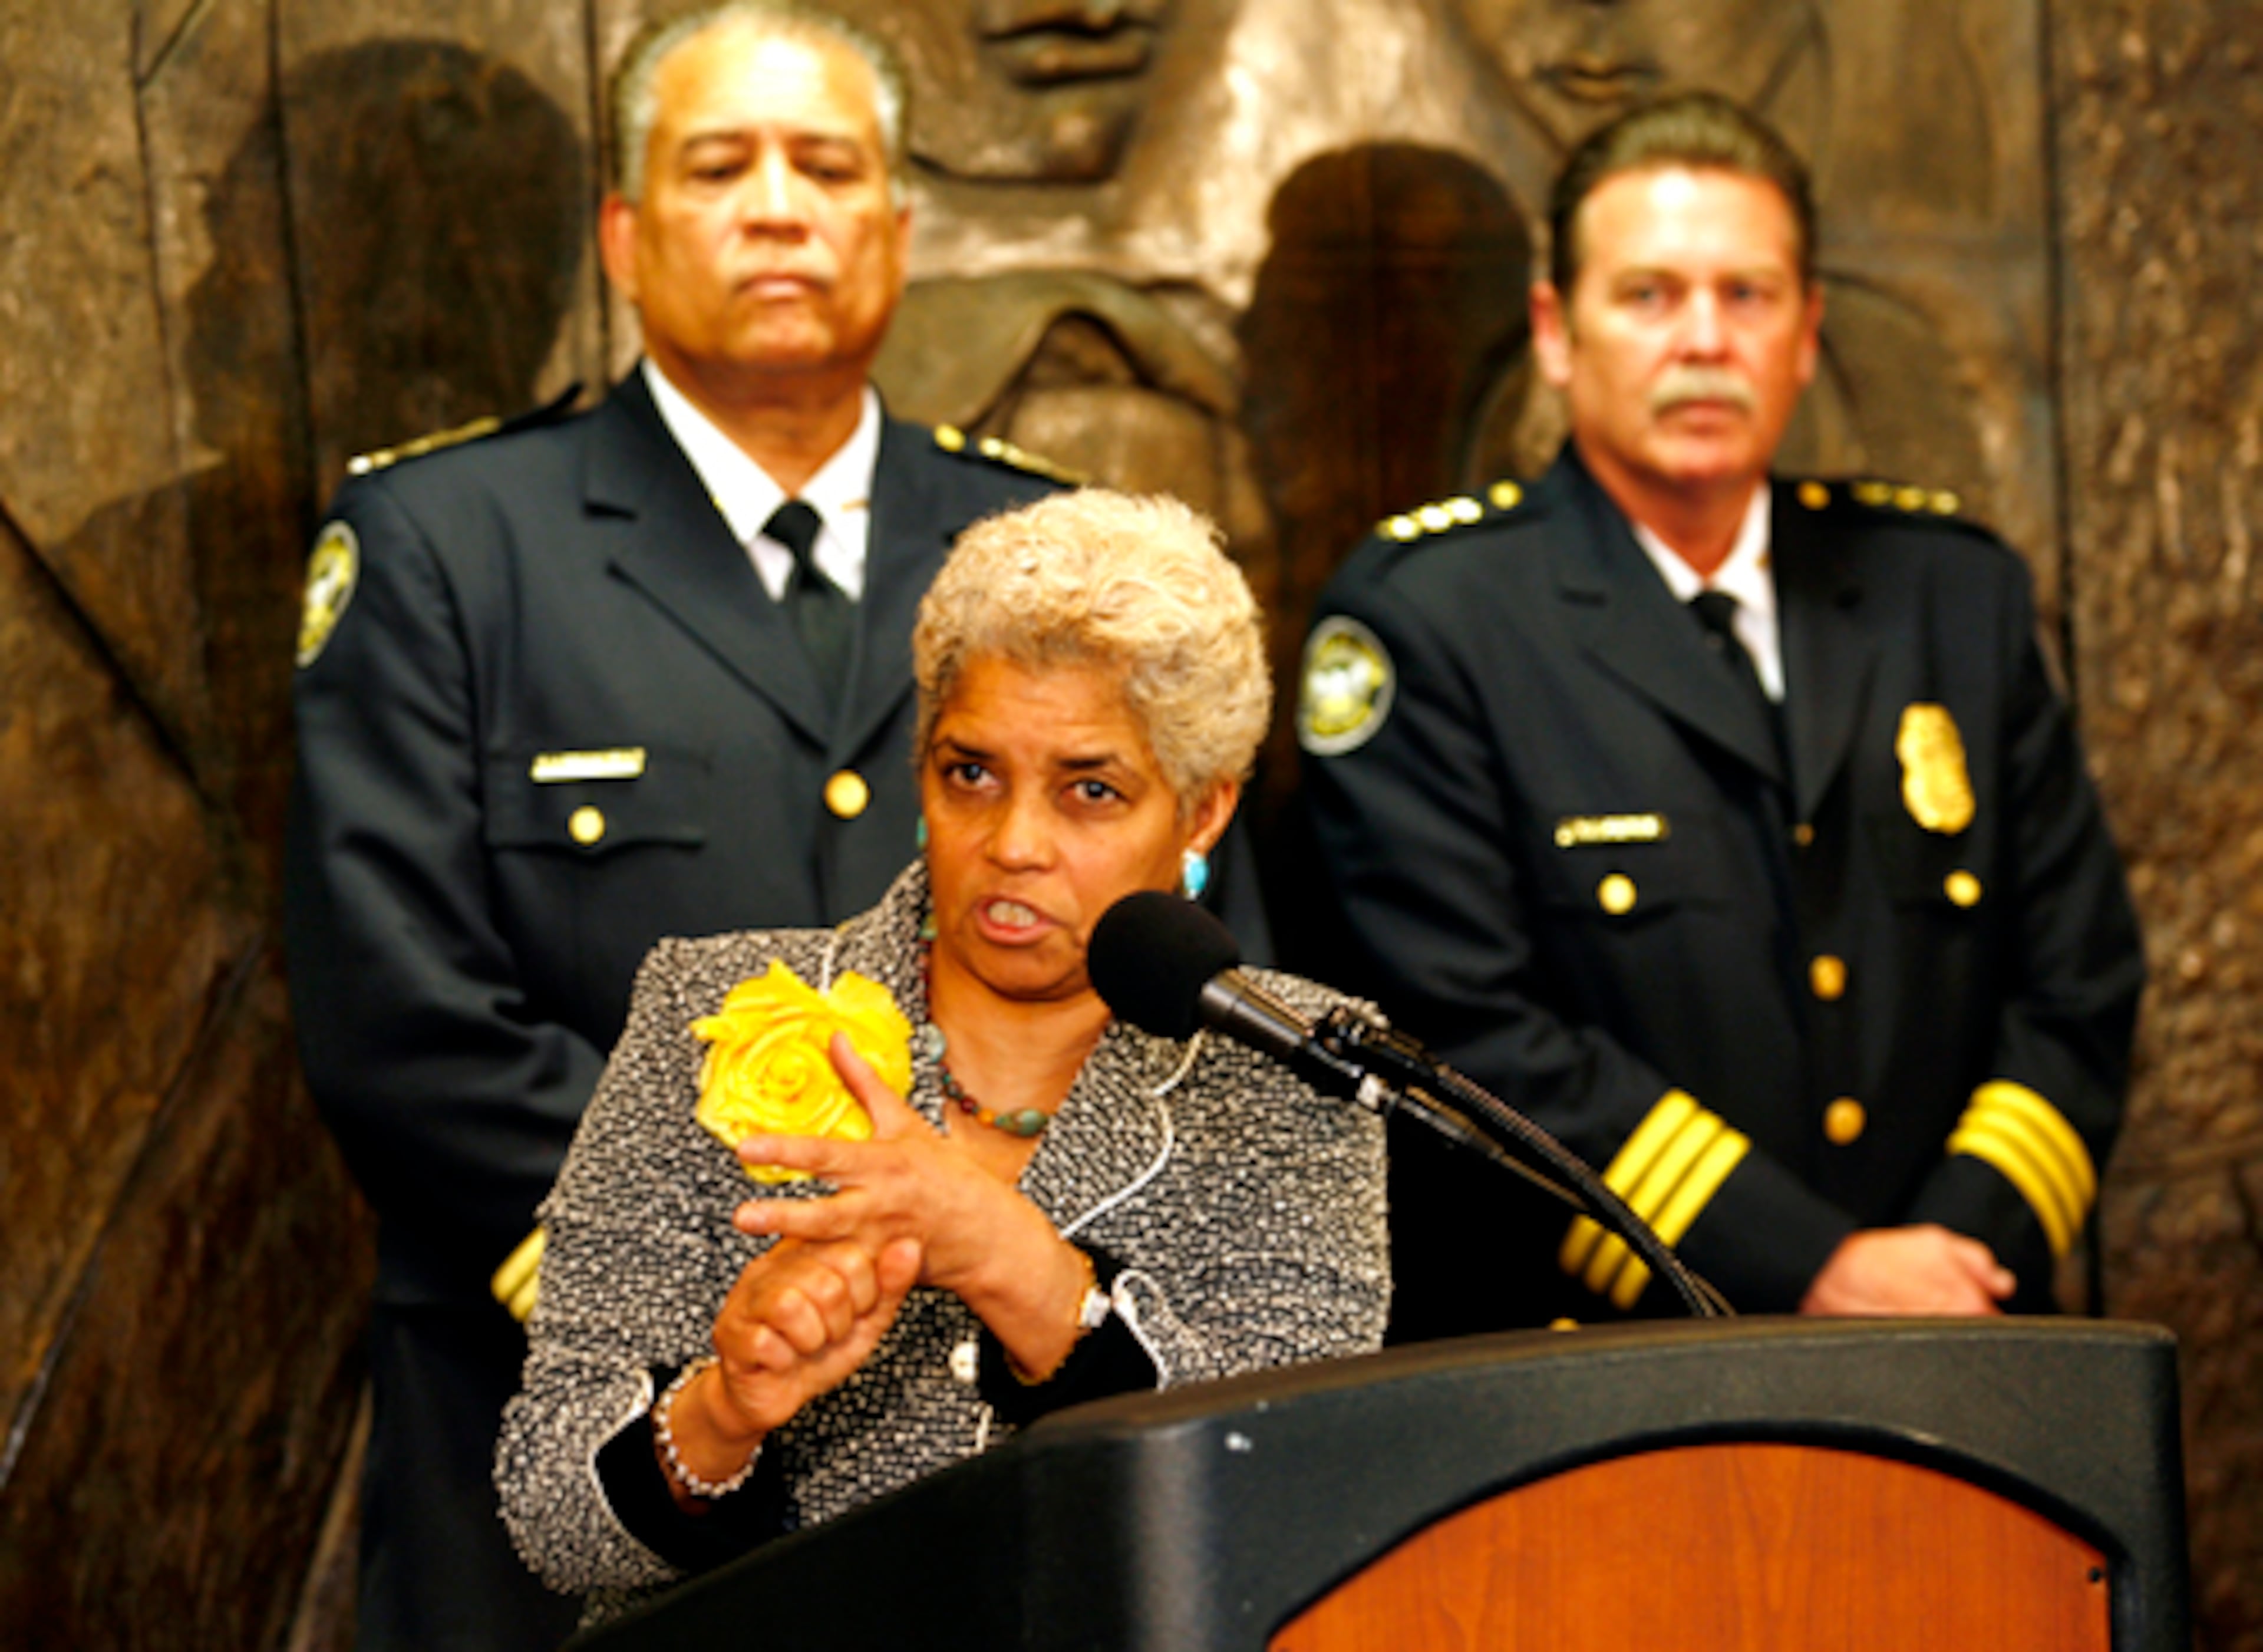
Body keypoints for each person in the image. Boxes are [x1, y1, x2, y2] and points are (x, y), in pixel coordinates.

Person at [283, 6, 1088, 1647]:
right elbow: (401, 1013)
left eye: (828, 167)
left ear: (896, 228)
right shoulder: (448, 543)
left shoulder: (1050, 543)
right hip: (572, 1437)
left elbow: (1177, 955)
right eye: (722, 167)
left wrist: (997, 1257)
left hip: (983, 1450)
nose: (780, 207)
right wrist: (698, 1292)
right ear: (629, 237)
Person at [1297, 93, 2143, 1338]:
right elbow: (1466, 1036)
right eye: (1649, 295)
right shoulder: (1431, 618)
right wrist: (1811, 1267)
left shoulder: (1950, 593)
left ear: (1807, 332)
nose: (1705, 339)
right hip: (1618, 1372)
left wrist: (1955, 1256)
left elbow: (2080, 985)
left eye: (1747, 296)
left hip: (1963, 1345)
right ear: (1555, 331)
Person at [496, 489, 1388, 1624]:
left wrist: (1027, 1276)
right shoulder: (714, 1009)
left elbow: (1296, 1507)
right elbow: (549, 1523)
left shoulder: (1295, 1067)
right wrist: (722, 1415)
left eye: (1091, 792)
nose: (1015, 843)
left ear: (1203, 812)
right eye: (972, 774)